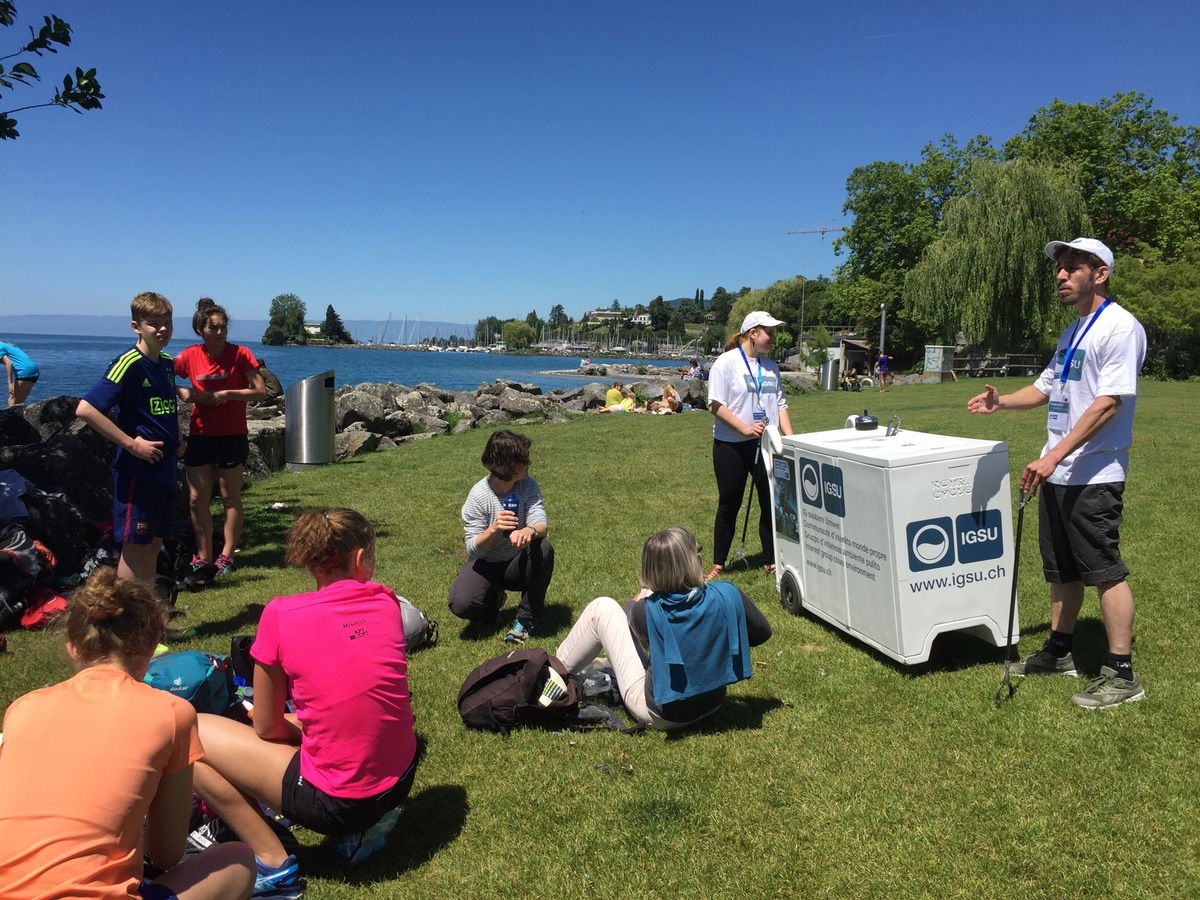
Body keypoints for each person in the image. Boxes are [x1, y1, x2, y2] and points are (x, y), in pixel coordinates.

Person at [191, 508, 419, 894]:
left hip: (340, 802)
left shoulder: (281, 614)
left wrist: (290, 729)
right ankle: (360, 829)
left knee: (187, 733)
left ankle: (273, 863)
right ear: (362, 559)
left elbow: (265, 726)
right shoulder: (386, 601)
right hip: (400, 778)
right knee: (321, 722)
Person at [967, 237, 1147, 709]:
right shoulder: (1074, 331)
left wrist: (1053, 456)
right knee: (1061, 568)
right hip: (1060, 469)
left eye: (1071, 268)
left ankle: (1123, 673)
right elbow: (1045, 389)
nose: (1060, 276)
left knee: (1103, 569)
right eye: (1059, 269)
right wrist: (1001, 400)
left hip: (1094, 470)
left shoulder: (1120, 329)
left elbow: (1108, 404)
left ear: (1100, 273)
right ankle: (1059, 650)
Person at [0, 567, 255, 900]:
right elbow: (166, 854)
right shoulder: (172, 713)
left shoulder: (22, 708)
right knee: (237, 859)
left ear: (72, 648)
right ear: (153, 643)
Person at [555, 526, 772, 730]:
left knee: (602, 608)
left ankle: (552, 672)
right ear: (693, 559)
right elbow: (762, 632)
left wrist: (643, 597)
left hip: (661, 713)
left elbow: (631, 620)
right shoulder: (728, 593)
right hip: (713, 703)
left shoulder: (645, 611)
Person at [76, 292, 180, 587]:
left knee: (153, 547)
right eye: (154, 324)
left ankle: (148, 621)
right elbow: (86, 409)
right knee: (135, 550)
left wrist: (178, 437)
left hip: (166, 470)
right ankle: (127, 626)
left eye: (168, 323)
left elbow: (167, 406)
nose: (162, 329)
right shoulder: (128, 363)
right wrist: (132, 444)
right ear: (137, 327)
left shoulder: (168, 363)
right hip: (139, 474)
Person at [173, 298, 267, 589]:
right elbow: (161, 377)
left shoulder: (241, 354)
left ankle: (225, 556)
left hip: (231, 435)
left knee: (229, 497)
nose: (219, 332)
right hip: (201, 435)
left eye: (223, 327)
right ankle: (203, 556)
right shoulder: (189, 356)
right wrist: (184, 392)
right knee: (196, 499)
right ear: (200, 329)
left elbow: (260, 391)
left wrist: (226, 394)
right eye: (213, 327)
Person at [706, 311, 794, 580]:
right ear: (753, 332)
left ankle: (770, 561)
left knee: (771, 503)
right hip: (731, 445)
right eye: (770, 332)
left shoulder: (771, 366)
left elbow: (780, 405)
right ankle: (718, 564)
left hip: (767, 445)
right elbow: (715, 405)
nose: (773, 338)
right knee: (729, 505)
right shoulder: (726, 363)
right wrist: (744, 428)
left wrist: (791, 441)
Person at [448, 429, 553, 642]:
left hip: (517, 562)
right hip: (487, 563)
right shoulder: (479, 496)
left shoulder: (528, 485)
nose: (530, 463)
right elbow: (473, 549)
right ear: (507, 467)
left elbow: (542, 523)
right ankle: (493, 603)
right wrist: (493, 529)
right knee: (461, 603)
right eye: (524, 460)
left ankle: (525, 619)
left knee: (544, 547)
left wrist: (529, 530)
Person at [0, 340, 39, 407]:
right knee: (19, 403)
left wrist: (10, 383)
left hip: (24, 370)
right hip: (34, 370)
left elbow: (9, 363)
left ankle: (12, 417)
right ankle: (19, 417)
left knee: (12, 400)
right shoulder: (6, 344)